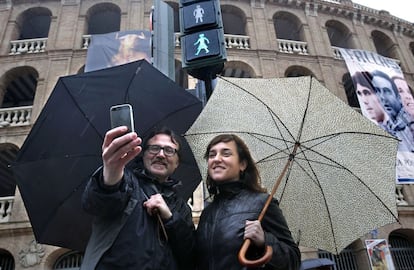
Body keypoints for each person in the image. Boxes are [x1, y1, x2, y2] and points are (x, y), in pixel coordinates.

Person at [80, 126, 195, 270]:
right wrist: (111, 172)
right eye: (154, 148)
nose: (161, 154)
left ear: (177, 162)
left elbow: (189, 256)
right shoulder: (126, 181)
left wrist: (170, 219)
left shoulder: (182, 208)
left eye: (169, 150)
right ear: (144, 154)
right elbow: (99, 202)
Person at [195, 134, 301, 270]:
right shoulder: (207, 213)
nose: (217, 159)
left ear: (242, 164)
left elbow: (293, 260)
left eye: (226, 154)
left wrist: (265, 240)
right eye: (212, 155)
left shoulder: (262, 203)